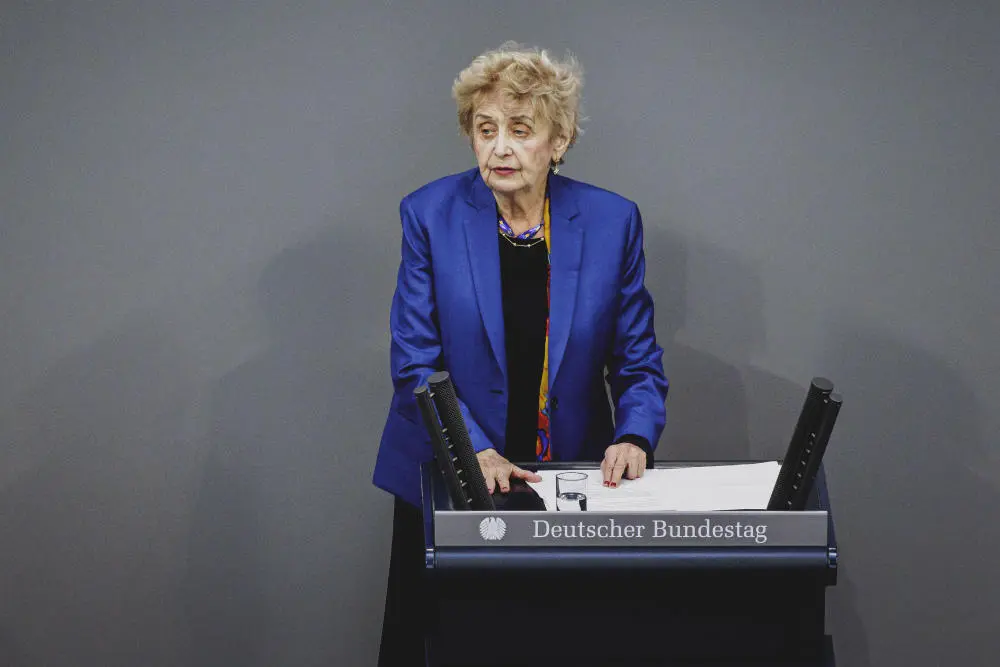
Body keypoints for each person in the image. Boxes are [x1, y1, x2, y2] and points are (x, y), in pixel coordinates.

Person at [372, 42, 668, 666]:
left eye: (520, 129)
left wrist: (635, 438)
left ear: (557, 142)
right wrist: (471, 447)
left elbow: (638, 361)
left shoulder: (613, 222)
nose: (499, 147)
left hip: (568, 478)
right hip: (450, 473)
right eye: (485, 130)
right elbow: (416, 364)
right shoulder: (430, 214)